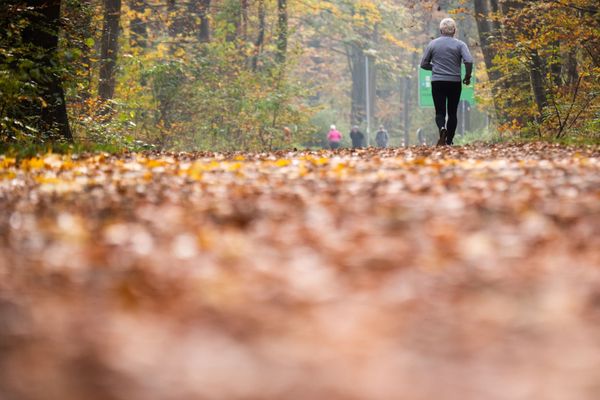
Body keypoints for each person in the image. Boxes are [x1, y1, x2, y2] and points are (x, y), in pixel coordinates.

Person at [420, 17, 473, 146]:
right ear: (454, 30)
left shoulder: (433, 44)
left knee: (440, 112)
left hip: (438, 82)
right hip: (454, 82)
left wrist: (435, 67)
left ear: (440, 30)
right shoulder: (460, 45)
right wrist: (467, 76)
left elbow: (423, 64)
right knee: (452, 112)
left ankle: (442, 128)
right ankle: (449, 140)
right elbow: (469, 61)